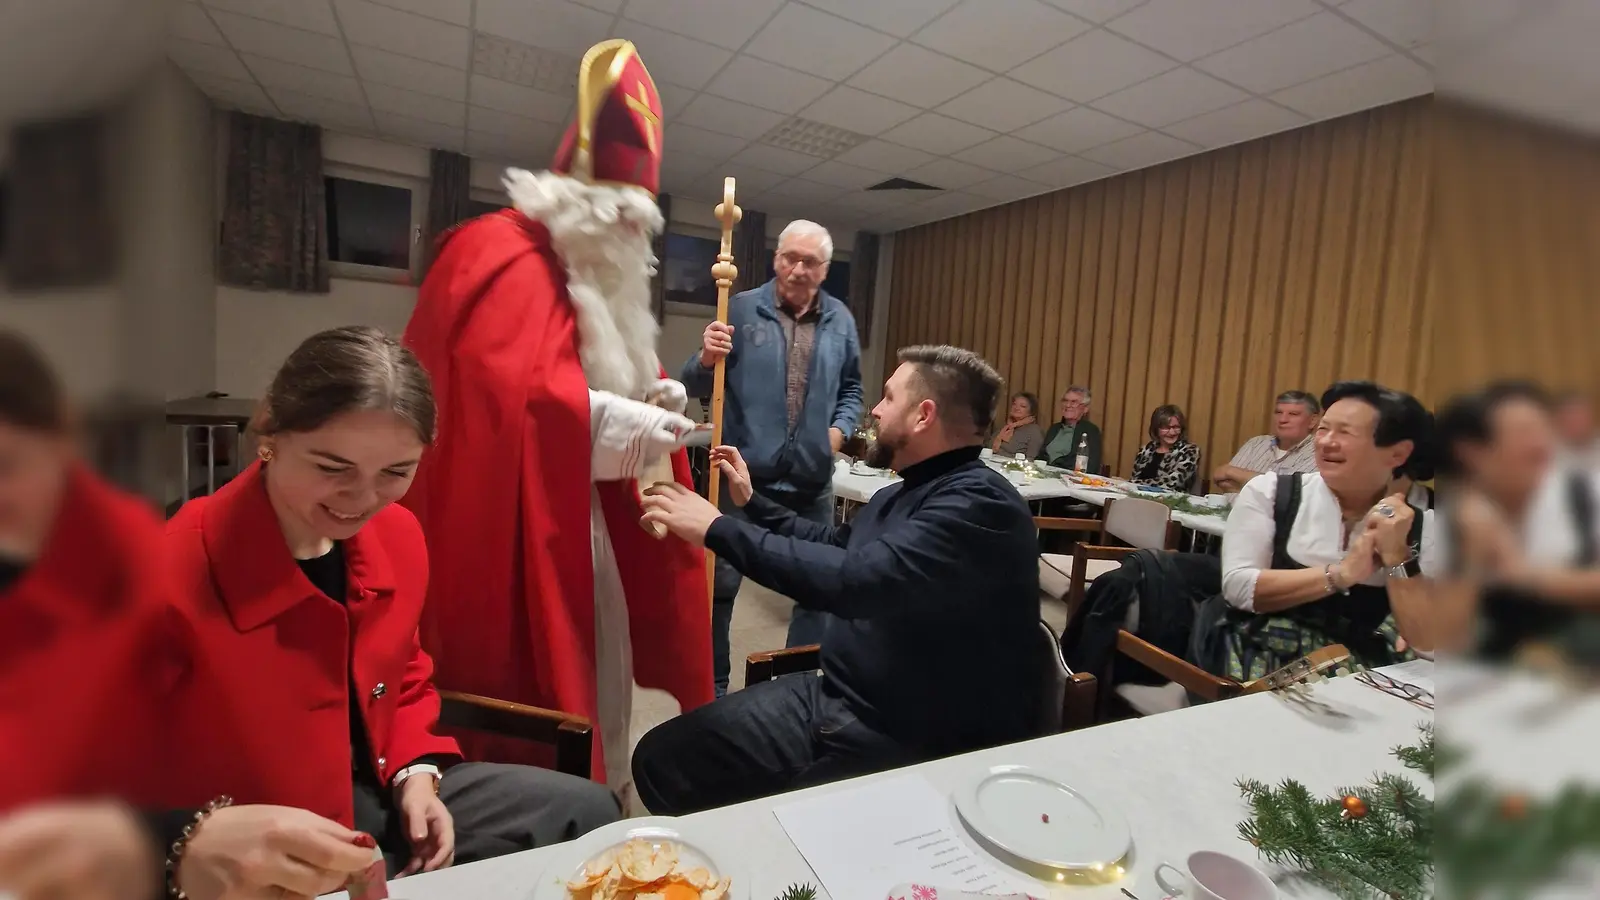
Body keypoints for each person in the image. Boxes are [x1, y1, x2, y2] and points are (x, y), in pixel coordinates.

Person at [159, 327, 620, 879]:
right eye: (332, 468)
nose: (362, 500)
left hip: (378, 791)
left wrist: (416, 773)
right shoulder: (167, 567)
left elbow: (403, 678)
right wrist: (191, 837)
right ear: (270, 433)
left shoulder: (397, 537)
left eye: (396, 473)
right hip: (260, 830)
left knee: (587, 813)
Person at [400, 38, 712, 800]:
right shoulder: (498, 254)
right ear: (582, 208)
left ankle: (594, 788)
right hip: (510, 521)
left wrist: (653, 393)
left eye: (641, 229)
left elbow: (588, 371)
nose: (632, 244)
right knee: (540, 671)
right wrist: (624, 425)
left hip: (588, 521)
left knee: (600, 662)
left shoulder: (586, 271)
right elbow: (506, 400)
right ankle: (542, 804)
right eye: (623, 225)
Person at [633, 346, 1045, 815]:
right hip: (842, 695)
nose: (875, 409)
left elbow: (853, 581)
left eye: (889, 397)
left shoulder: (979, 505)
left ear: (923, 415)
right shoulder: (907, 491)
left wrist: (716, 528)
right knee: (662, 759)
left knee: (756, 817)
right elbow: (834, 542)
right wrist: (751, 503)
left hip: (909, 735)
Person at [684, 218, 864, 696]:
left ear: (824, 270)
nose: (798, 269)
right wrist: (704, 358)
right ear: (776, 260)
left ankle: (794, 685)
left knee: (820, 588)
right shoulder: (739, 309)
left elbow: (853, 390)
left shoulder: (841, 321)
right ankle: (714, 687)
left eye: (810, 262)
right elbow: (694, 383)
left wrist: (837, 434)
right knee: (720, 588)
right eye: (790, 258)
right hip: (743, 479)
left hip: (812, 483)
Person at [1200, 381, 1438, 681]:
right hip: (1257, 658)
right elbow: (1239, 587)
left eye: (1346, 432)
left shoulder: (1426, 524)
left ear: (1397, 454)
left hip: (1362, 676)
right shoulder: (1272, 493)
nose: (1325, 442)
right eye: (1323, 429)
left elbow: (1427, 646)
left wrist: (1397, 557)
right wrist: (1342, 574)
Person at [1436, 382, 1600, 658]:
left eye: (1545, 429)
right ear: (1472, 452)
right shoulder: (1450, 515)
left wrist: (1520, 573)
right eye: (1524, 432)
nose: (1542, 444)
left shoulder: (1581, 493)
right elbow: (1448, 641)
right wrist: (1473, 552)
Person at [1211, 390, 1321, 493]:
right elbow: (1220, 476)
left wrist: (1231, 471)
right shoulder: (1256, 443)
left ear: (1312, 421)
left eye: (1293, 414)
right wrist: (1269, 490)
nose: (1282, 420)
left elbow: (1292, 493)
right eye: (1278, 412)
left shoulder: (1319, 453)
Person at [1130, 404, 1202, 492]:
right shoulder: (1146, 450)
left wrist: (1133, 483)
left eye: (1176, 427)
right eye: (1166, 428)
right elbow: (1134, 478)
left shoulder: (1190, 450)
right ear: (1156, 429)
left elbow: (1172, 482)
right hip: (1138, 496)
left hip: (1171, 501)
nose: (1172, 432)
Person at [1036, 385, 1101, 473]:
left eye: (1074, 402)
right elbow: (1040, 457)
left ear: (1085, 409)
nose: (1068, 405)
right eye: (1065, 401)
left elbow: (1091, 467)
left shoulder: (1091, 431)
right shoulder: (1054, 428)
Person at [991, 391, 1044, 459]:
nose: (1016, 408)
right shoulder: (1006, 427)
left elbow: (1031, 459)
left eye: (1023, 406)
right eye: (1014, 404)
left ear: (1031, 411)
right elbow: (988, 447)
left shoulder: (1035, 431)